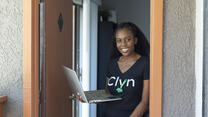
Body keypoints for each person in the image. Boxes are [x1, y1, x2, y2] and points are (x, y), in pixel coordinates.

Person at [78, 22, 150, 117]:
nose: (123, 44)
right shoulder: (112, 64)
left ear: (135, 40)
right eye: (119, 40)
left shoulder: (145, 63)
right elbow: (108, 96)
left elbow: (145, 102)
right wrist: (89, 98)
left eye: (128, 39)